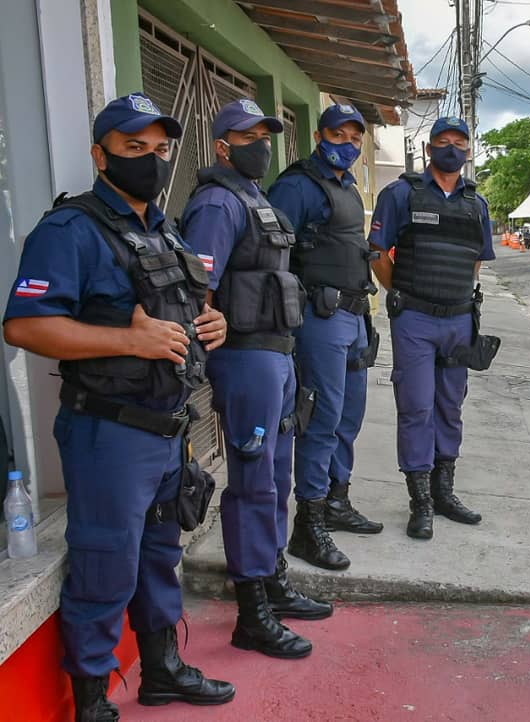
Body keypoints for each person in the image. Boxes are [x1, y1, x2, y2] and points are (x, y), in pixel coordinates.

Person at [3, 93, 234, 720]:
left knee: (160, 557)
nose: (151, 160)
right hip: (110, 431)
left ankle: (161, 669)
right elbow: (24, 326)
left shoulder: (164, 229)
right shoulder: (69, 231)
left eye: (160, 149)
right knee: (105, 565)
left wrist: (210, 322)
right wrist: (129, 342)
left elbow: (182, 307)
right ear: (100, 155)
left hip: (169, 428)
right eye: (135, 148)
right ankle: (92, 701)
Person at [180, 99, 330, 661]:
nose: (261, 145)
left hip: (277, 354)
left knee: (276, 476)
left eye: (265, 135)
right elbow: (195, 288)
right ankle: (252, 612)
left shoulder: (254, 197)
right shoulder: (217, 202)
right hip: (245, 357)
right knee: (252, 481)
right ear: (223, 146)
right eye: (248, 137)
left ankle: (272, 578)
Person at [368, 117, 495, 540]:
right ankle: (420, 502)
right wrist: (403, 292)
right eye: (443, 141)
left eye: (459, 142)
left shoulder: (477, 204)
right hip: (415, 320)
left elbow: (476, 260)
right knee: (416, 407)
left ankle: (444, 494)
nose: (451, 148)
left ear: (469, 150)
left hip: (459, 319)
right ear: (428, 147)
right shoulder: (400, 194)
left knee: (450, 407)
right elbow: (377, 253)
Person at [267, 104, 382, 571]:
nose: (348, 145)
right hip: (319, 316)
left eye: (355, 138)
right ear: (319, 136)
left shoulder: (347, 186)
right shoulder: (298, 185)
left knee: (349, 415)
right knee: (322, 417)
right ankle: (308, 523)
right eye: (339, 135)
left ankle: (336, 499)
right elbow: (271, 254)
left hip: (353, 315)